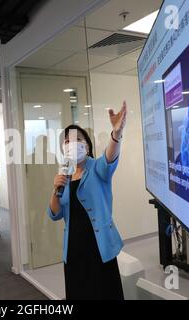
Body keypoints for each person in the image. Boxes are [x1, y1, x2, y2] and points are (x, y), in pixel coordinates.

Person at [48, 101, 128, 300]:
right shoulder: (64, 174)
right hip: (74, 248)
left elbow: (109, 158)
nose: (71, 144)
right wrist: (55, 190)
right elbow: (55, 213)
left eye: (77, 139)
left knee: (104, 293)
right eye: (67, 141)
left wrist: (116, 134)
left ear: (86, 144)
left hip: (98, 247)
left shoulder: (97, 168)